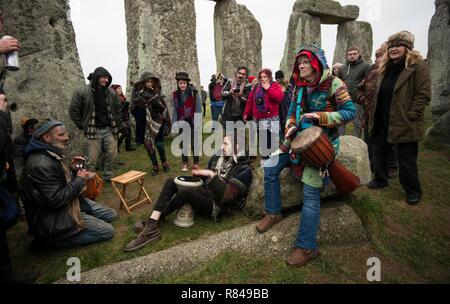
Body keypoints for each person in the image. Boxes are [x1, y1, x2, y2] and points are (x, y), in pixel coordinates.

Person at [256, 45, 356, 267]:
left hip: (322, 144)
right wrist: (290, 127)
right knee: (270, 167)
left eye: (305, 62)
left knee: (311, 196)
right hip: (295, 141)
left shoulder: (335, 84)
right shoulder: (299, 88)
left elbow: (350, 112)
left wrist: (320, 116)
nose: (300, 65)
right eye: (299, 62)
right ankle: (273, 213)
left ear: (316, 63)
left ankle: (307, 247)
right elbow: (291, 113)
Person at [123, 135, 253, 252]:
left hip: (219, 207)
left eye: (225, 144)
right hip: (206, 193)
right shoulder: (219, 157)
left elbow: (228, 196)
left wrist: (210, 174)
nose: (221, 146)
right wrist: (200, 173)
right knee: (171, 182)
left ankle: (152, 226)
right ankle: (153, 222)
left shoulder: (244, 170)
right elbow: (206, 179)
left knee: (186, 193)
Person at [19, 120, 118, 249]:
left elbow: (58, 182)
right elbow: (56, 199)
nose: (66, 137)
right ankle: (49, 242)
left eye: (65, 134)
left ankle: (83, 218)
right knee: (107, 231)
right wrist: (80, 180)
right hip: (55, 216)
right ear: (47, 137)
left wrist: (72, 171)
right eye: (61, 135)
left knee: (112, 215)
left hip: (71, 202)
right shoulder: (40, 164)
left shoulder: (49, 152)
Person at [367, 31, 431, 205]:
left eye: (398, 45)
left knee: (406, 159)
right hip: (382, 117)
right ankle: (380, 179)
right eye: (391, 46)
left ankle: (413, 190)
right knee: (379, 152)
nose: (394, 49)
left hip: (404, 119)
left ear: (408, 48)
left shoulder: (417, 66)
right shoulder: (385, 68)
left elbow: (423, 94)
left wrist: (412, 115)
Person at [69, 67, 122, 182]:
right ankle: (90, 180)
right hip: (93, 130)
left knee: (112, 156)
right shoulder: (82, 91)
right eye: (104, 77)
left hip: (109, 129)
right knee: (91, 160)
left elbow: (118, 108)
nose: (106, 80)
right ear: (97, 77)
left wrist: (117, 123)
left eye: (107, 78)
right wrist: (82, 125)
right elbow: (74, 110)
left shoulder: (111, 92)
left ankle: (108, 177)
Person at [356, 43, 398, 177]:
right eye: (377, 56)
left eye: (381, 56)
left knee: (388, 139)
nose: (378, 59)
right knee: (370, 138)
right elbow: (360, 89)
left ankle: (391, 165)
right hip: (369, 111)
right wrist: (362, 100)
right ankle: (371, 162)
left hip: (388, 111)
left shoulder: (393, 72)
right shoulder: (372, 71)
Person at [133, 72, 171, 175]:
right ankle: (155, 165)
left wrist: (155, 104)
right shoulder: (138, 95)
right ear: (143, 82)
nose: (150, 83)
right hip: (145, 124)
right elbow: (133, 108)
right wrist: (143, 108)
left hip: (158, 122)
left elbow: (163, 107)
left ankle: (164, 162)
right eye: (148, 81)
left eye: (151, 81)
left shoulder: (157, 93)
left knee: (160, 145)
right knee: (149, 144)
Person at [243, 69, 284, 160]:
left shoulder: (274, 85)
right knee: (263, 142)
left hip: (271, 119)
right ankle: (265, 161)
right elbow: (250, 101)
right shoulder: (257, 88)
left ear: (269, 77)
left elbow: (279, 97)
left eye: (265, 76)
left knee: (272, 143)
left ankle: (272, 161)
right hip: (259, 119)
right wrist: (246, 113)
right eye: (261, 77)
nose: (262, 79)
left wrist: (268, 89)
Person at [337, 46, 371, 138]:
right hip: (344, 99)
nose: (352, 56)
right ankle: (341, 142)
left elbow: (369, 82)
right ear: (347, 56)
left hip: (358, 100)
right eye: (350, 54)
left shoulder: (366, 66)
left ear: (359, 54)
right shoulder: (343, 68)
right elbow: (338, 82)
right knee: (341, 122)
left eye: (354, 54)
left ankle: (357, 144)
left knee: (357, 123)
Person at [172, 72, 202, 172]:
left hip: (192, 121)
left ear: (187, 83)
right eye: (180, 83)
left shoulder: (194, 92)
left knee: (194, 143)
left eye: (184, 83)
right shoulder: (175, 95)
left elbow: (198, 107)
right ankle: (185, 162)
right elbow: (175, 109)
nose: (182, 85)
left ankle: (196, 163)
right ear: (178, 84)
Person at [111, 84, 135, 153]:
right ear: (115, 90)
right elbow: (116, 109)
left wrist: (126, 106)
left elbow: (124, 108)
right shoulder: (114, 98)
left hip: (126, 117)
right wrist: (124, 106)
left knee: (129, 132)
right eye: (118, 89)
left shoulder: (122, 97)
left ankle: (128, 147)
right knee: (124, 132)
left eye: (121, 88)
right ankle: (117, 146)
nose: (120, 90)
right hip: (120, 118)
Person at [274, 70, 293, 139]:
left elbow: (289, 99)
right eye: (277, 79)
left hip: (286, 110)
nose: (278, 80)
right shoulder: (276, 87)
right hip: (281, 111)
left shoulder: (288, 87)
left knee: (286, 127)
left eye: (279, 79)